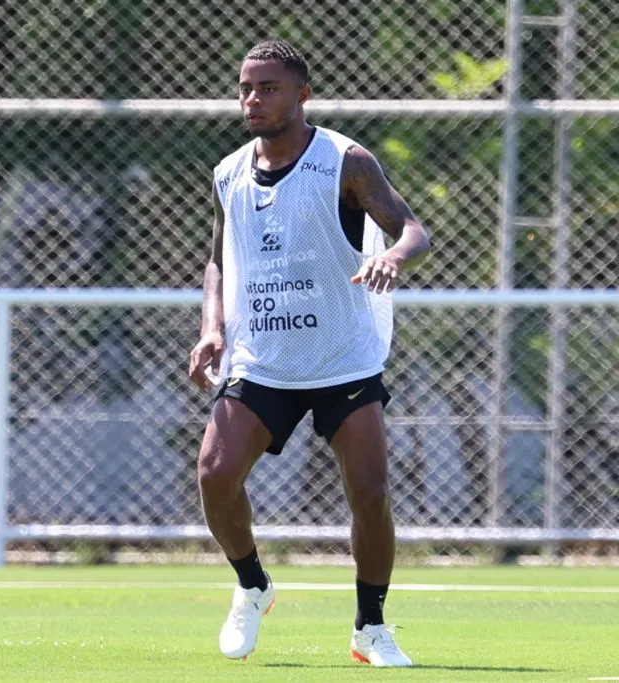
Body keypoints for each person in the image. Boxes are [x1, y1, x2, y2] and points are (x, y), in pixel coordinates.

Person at [187, 39, 431, 667]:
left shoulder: (344, 162)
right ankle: (252, 585)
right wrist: (212, 328)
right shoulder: (229, 173)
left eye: (268, 87)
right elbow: (218, 260)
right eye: (245, 87)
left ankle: (370, 627)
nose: (252, 99)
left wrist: (391, 256)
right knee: (215, 474)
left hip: (341, 357)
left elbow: (412, 229)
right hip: (263, 357)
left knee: (370, 491)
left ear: (302, 94)